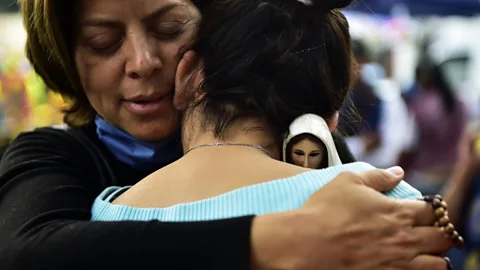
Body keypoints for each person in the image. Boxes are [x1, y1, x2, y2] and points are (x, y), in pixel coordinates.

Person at [0, 0, 454, 269]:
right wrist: (286, 239)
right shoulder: (57, 155)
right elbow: (28, 255)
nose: (142, 62)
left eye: (169, 28)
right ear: (65, 56)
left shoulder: (303, 141)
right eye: (103, 42)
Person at [402, 61, 467, 195]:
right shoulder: (459, 103)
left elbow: (409, 146)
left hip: (425, 177)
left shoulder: (419, 106)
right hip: (453, 176)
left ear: (420, 79)